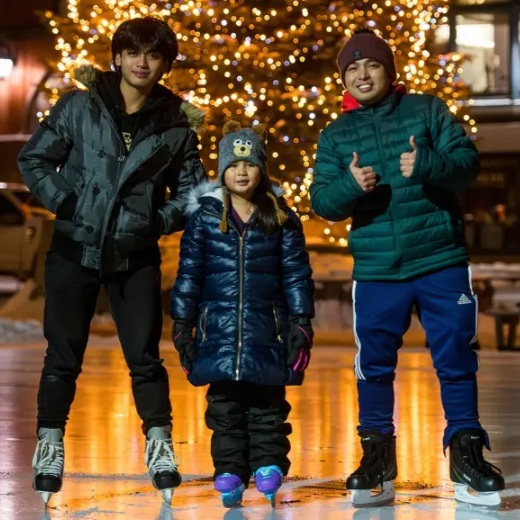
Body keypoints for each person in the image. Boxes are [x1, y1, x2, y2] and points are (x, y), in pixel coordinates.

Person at [310, 28, 504, 508]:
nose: (362, 74)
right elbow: (322, 202)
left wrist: (428, 164)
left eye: (372, 65)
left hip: (440, 260)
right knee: (373, 364)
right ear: (343, 79)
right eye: (353, 68)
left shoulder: (427, 110)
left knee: (456, 356)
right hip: (377, 270)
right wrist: (350, 186)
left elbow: (467, 164)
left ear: (389, 71)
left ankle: (467, 455)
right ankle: (377, 457)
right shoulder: (334, 135)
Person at [17, 17, 206, 506]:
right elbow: (34, 159)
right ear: (117, 57)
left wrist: (156, 221)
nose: (143, 62)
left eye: (154, 55)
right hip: (73, 249)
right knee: (62, 356)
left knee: (145, 357)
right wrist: (66, 201)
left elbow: (192, 193)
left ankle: (160, 445)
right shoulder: (79, 106)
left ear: (166, 64)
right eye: (134, 52)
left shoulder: (176, 125)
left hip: (133, 255)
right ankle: (49, 444)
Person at [170, 120, 315, 508]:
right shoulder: (205, 218)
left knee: (268, 406)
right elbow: (189, 275)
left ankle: (268, 464)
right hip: (217, 333)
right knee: (225, 409)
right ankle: (229, 470)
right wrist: (182, 325)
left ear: (262, 169)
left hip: (268, 331)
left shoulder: (279, 217)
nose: (241, 171)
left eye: (249, 164)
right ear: (221, 171)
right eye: (233, 164)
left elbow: (296, 273)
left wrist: (301, 322)